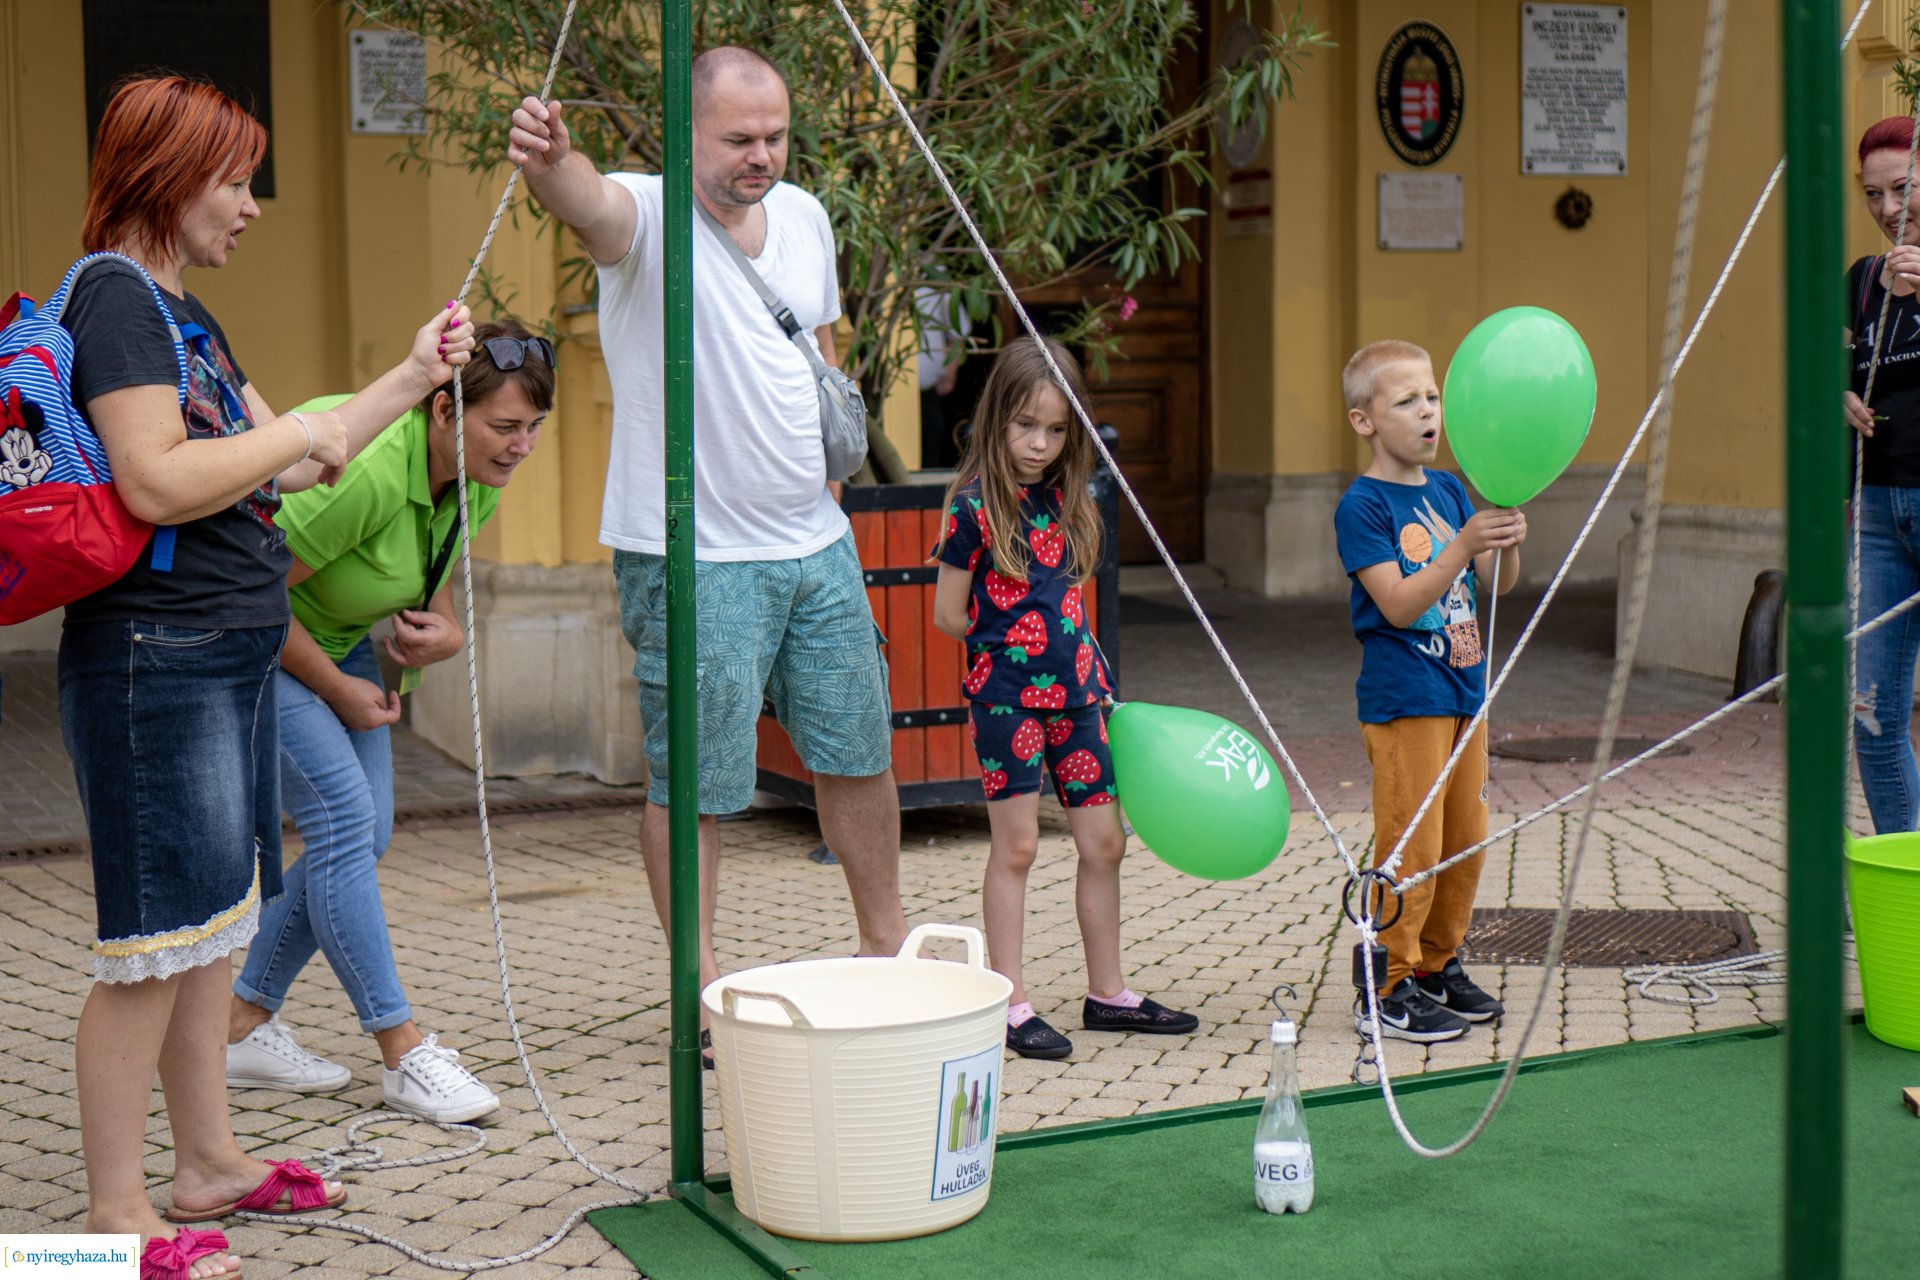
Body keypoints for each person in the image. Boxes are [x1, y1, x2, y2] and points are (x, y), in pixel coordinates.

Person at [55, 77, 473, 1277]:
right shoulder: (120, 304)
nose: (250, 204)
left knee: (212, 928)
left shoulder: (184, 314)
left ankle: (209, 1164)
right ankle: (113, 1220)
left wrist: (405, 375)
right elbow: (156, 479)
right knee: (151, 942)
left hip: (220, 656)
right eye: (234, 179)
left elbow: (296, 460)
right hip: (157, 661)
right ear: (168, 177)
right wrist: (293, 436)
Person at [506, 47, 909, 1059]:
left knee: (857, 746)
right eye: (738, 139)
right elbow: (584, 200)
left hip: (815, 543)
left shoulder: (807, 215)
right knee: (695, 782)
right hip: (693, 554)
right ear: (688, 132)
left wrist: (828, 467)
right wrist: (550, 158)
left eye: (775, 136)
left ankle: (884, 948)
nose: (761, 157)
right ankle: (700, 987)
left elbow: (819, 346)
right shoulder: (644, 214)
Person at [222, 320, 552, 1123]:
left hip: (332, 643)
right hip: (252, 640)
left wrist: (450, 634)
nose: (522, 447)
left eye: (534, 428)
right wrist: (337, 687)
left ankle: (239, 1026)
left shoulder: (473, 476)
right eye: (504, 427)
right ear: (442, 410)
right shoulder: (367, 470)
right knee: (344, 819)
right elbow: (253, 594)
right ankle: (402, 1051)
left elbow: (426, 585)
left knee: (361, 835)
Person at [929, 337, 1197, 1060]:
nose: (1040, 444)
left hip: (1080, 700)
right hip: (1008, 705)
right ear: (996, 420)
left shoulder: (1071, 501)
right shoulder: (974, 508)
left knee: (1103, 843)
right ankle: (1009, 1001)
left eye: (1056, 429)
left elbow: (1070, 601)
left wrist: (1072, 661)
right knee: (1016, 847)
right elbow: (948, 615)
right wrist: (1011, 648)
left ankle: (1107, 994)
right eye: (1026, 426)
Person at [1334, 340, 1525, 1044]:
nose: (1428, 412)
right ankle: (1384, 983)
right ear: (1365, 422)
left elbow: (1495, 588)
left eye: (1433, 396)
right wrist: (1461, 545)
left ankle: (1436, 965)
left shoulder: (1447, 491)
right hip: (1406, 697)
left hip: (1464, 694)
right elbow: (1398, 605)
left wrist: (1501, 542)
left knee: (1465, 841)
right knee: (1410, 848)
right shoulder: (1362, 506)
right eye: (1407, 400)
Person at [1845, 117, 1920, 835]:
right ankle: (1907, 873)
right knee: (1872, 710)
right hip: (1876, 514)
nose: (1887, 208)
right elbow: (1829, 373)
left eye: (1902, 188)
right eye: (1872, 193)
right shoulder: (1863, 282)